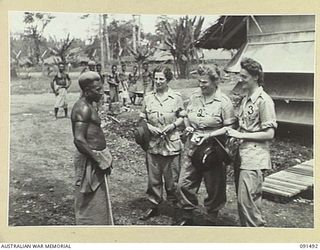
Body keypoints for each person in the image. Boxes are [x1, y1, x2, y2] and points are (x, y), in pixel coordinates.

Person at [176, 65, 236, 225]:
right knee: (184, 182)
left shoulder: (224, 102)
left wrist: (209, 134)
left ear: (215, 82)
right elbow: (187, 116)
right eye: (199, 81)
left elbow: (229, 128)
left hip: (213, 149)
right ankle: (187, 214)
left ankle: (211, 215)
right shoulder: (195, 97)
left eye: (205, 82)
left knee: (214, 185)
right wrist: (188, 125)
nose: (201, 85)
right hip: (193, 145)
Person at [226, 58, 277, 227]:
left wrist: (242, 136)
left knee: (246, 201)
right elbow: (243, 125)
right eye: (240, 76)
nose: (240, 80)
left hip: (255, 157)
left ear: (256, 77)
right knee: (247, 203)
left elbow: (269, 133)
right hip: (242, 155)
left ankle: (256, 236)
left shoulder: (264, 101)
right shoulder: (246, 98)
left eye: (244, 77)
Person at [139, 66, 184, 220]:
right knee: (154, 179)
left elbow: (182, 117)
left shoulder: (176, 97)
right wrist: (150, 127)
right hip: (153, 144)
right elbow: (142, 118)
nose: (157, 82)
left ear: (168, 80)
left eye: (161, 79)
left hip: (171, 143)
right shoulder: (148, 97)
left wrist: (173, 125)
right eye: (156, 78)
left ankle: (176, 208)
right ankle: (154, 205)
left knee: (173, 181)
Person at [71, 71, 113, 225]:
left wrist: (104, 156)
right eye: (98, 90)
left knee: (98, 201)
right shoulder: (82, 108)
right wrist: (98, 160)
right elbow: (79, 140)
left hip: (96, 158)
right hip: (89, 160)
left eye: (101, 88)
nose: (101, 92)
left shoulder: (90, 104)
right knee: (87, 200)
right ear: (87, 91)